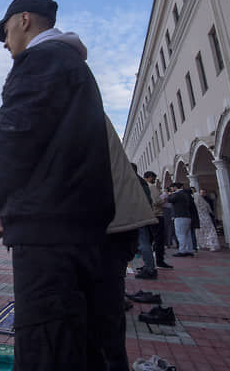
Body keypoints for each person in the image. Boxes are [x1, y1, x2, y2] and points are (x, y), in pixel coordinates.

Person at [0, 0, 115, 370]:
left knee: (46, 344)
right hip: (77, 227)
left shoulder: (40, 61)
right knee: (79, 341)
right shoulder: (72, 65)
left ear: (23, 20)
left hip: (48, 233)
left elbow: (14, 135)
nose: (5, 42)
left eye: (4, 32)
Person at [92, 122, 155, 370]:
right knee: (108, 315)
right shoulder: (93, 116)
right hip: (115, 232)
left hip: (101, 230)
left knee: (100, 316)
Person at [144, 172, 173, 269]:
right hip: (157, 215)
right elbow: (157, 201)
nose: (154, 180)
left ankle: (148, 263)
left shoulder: (142, 187)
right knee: (159, 239)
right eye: (153, 178)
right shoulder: (151, 187)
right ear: (150, 177)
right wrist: (164, 199)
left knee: (149, 239)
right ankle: (159, 261)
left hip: (148, 215)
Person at [135, 168, 158, 280]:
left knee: (143, 242)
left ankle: (150, 269)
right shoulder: (142, 182)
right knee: (145, 242)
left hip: (137, 214)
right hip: (144, 214)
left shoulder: (133, 181)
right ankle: (149, 266)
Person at [167, 183, 194, 256]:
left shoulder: (178, 194)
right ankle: (189, 250)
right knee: (187, 234)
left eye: (172, 188)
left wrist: (169, 194)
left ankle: (182, 250)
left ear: (175, 187)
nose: (171, 190)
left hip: (180, 216)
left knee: (180, 234)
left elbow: (170, 199)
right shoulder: (185, 194)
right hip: (187, 216)